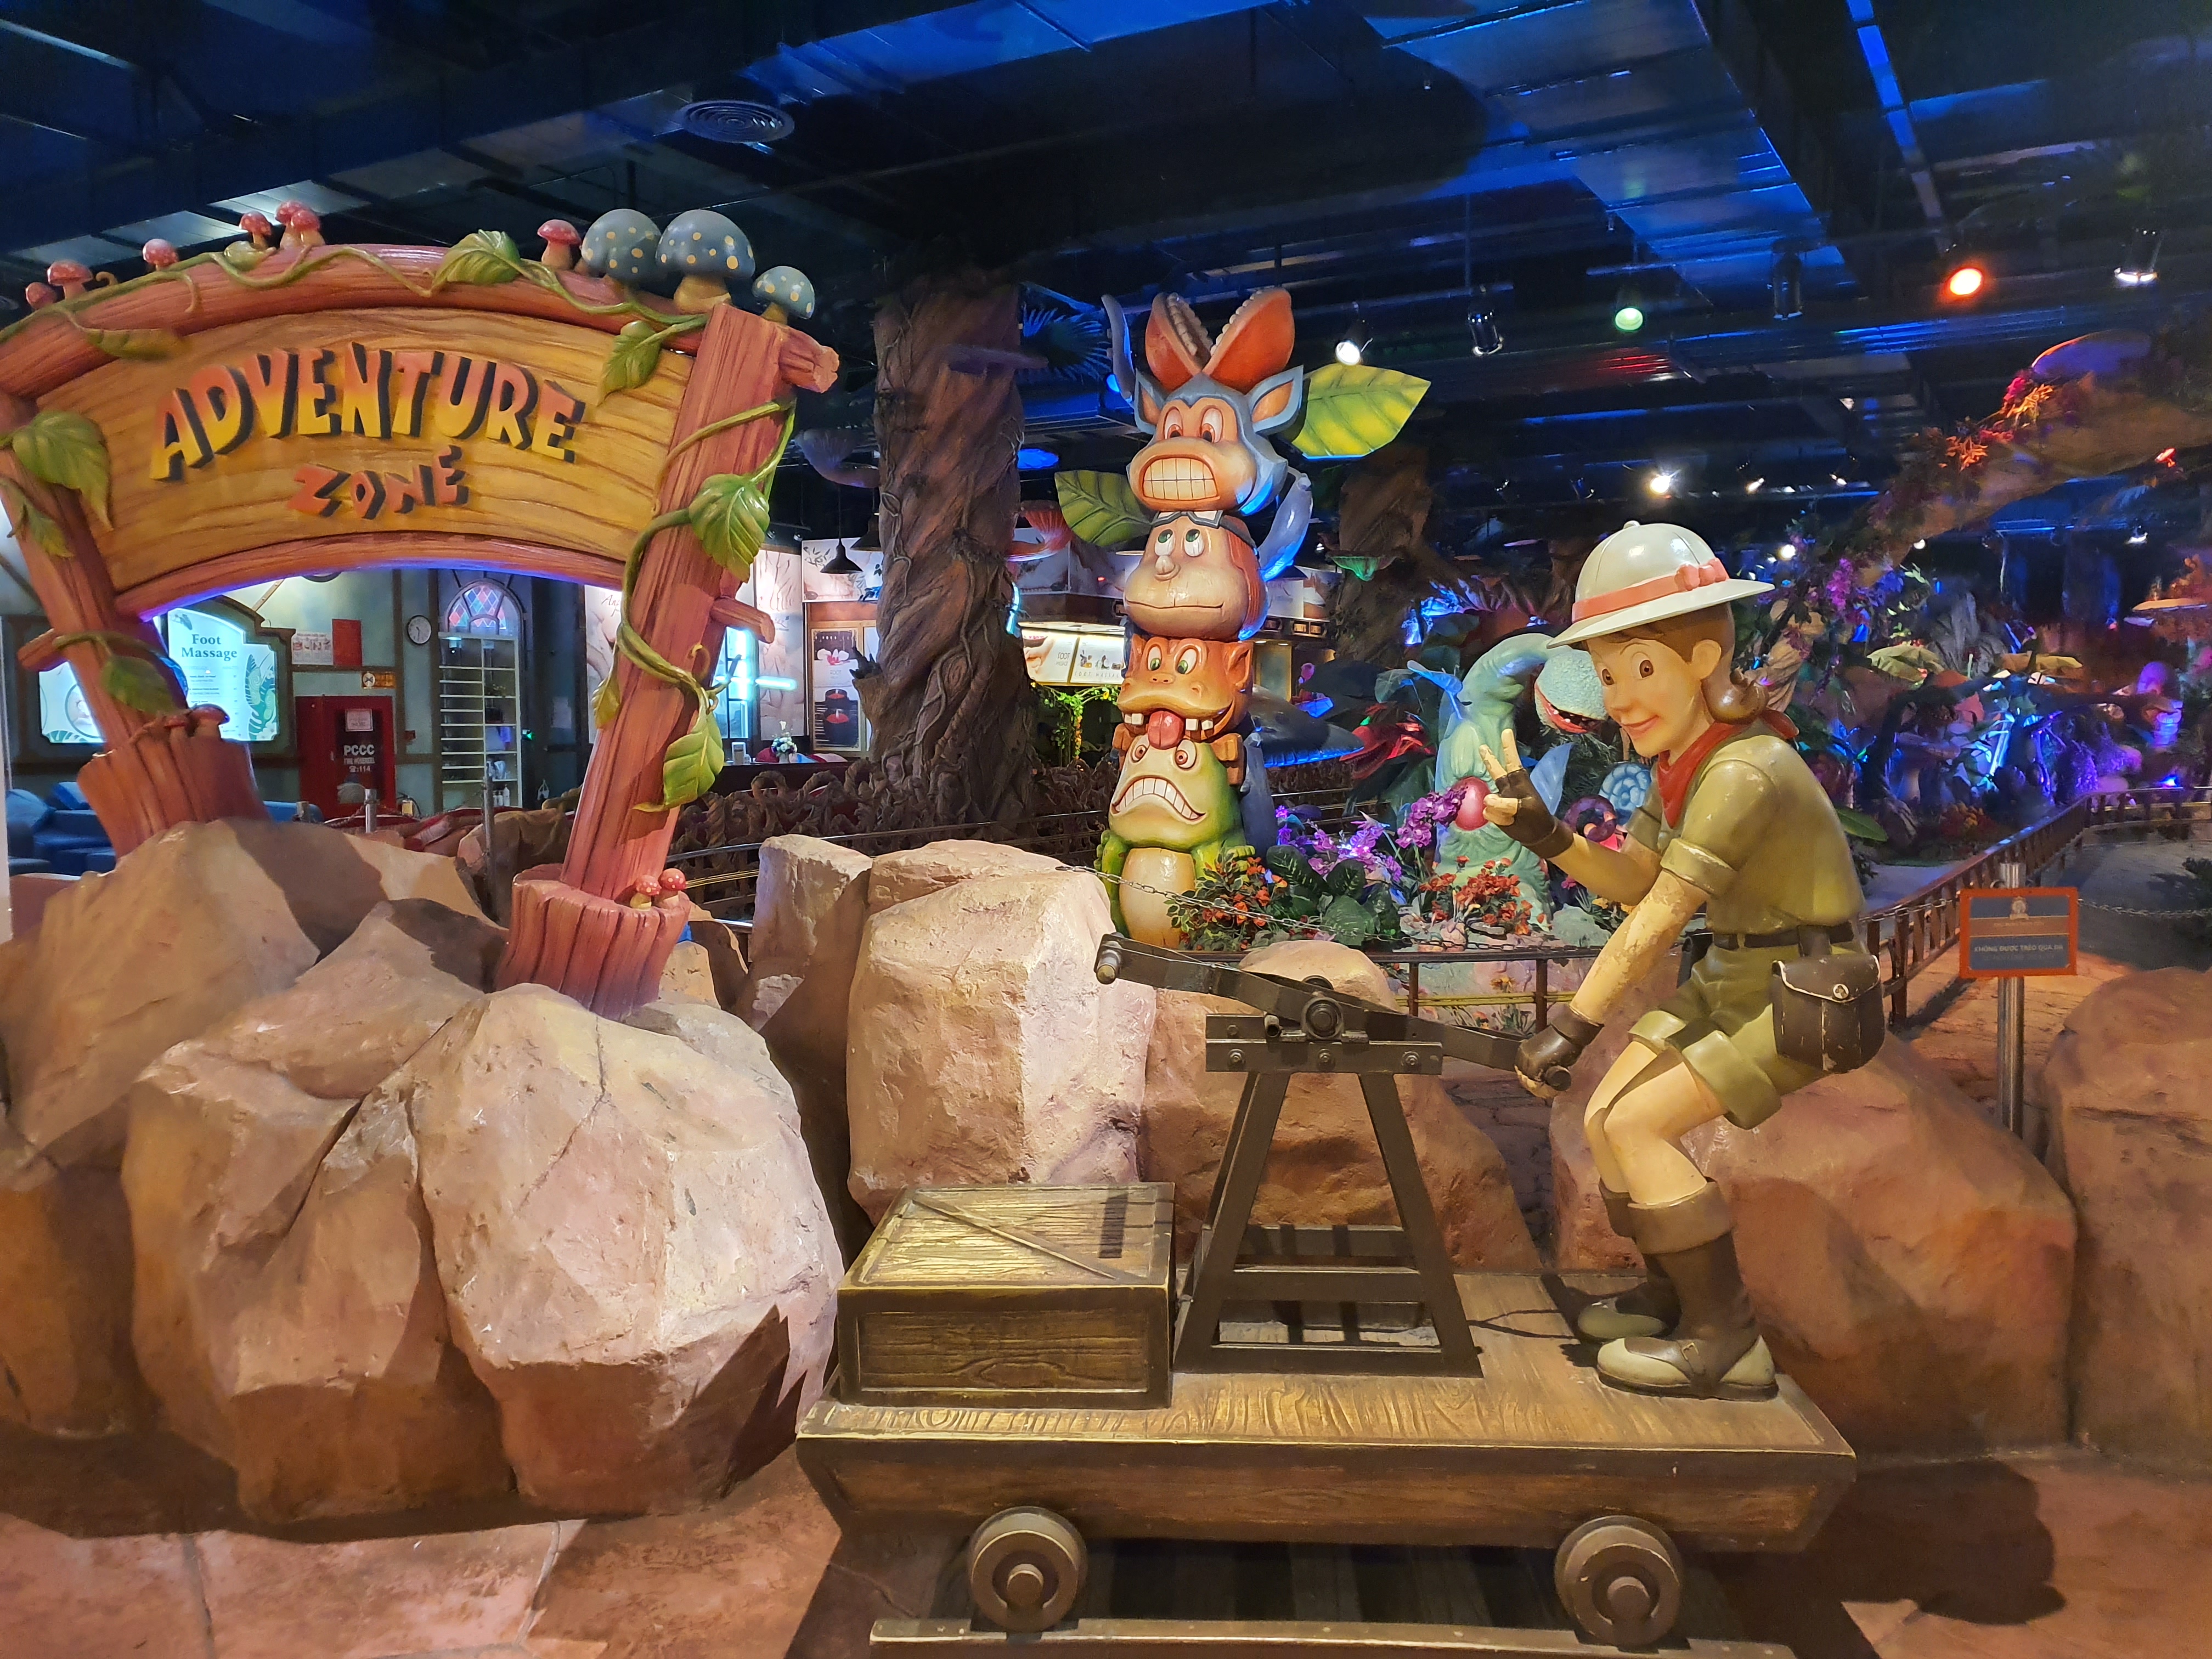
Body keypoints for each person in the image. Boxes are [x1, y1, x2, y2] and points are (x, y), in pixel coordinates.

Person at [1479, 521, 1869, 1401]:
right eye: (1609, 675)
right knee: (1606, 1116)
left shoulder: (1742, 773)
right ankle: (1673, 1297)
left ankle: (1727, 1339)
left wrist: (1572, 1027)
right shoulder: (1685, 767)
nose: (1621, 699)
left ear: (1702, 657)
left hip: (1802, 989)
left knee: (1637, 1126)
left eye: (1641, 670)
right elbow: (1633, 880)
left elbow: (1660, 914)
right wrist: (1547, 834)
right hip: (1735, 976)